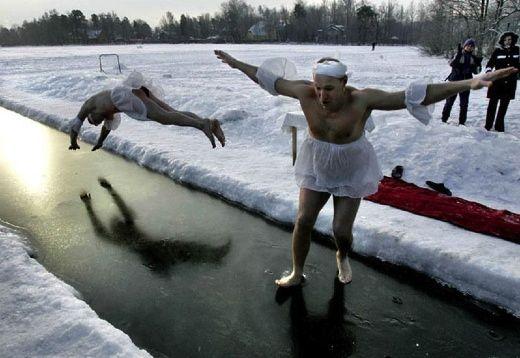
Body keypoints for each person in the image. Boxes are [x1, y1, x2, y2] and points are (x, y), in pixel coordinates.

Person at [214, 49, 517, 287]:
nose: (322, 96)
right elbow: (269, 80)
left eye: (330, 89)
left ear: (344, 83)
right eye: (318, 88)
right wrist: (237, 63)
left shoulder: (362, 100)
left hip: (351, 167)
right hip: (317, 164)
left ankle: (342, 255)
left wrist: (469, 82)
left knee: (340, 230)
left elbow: (412, 97)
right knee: (304, 219)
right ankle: (297, 272)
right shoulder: (305, 92)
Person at [68, 72, 225, 151]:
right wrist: (99, 143)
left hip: (123, 95)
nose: (96, 122)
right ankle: (210, 123)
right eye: (97, 123)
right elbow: (106, 130)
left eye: (92, 121)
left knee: (164, 117)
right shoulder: (106, 115)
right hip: (134, 93)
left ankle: (202, 125)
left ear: (90, 114)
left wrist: (73, 142)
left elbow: (75, 124)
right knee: (171, 112)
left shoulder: (90, 104)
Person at [441, 39, 483, 125]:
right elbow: (451, 64)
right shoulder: (458, 54)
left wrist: (478, 64)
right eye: (468, 45)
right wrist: (457, 56)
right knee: (449, 102)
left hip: (466, 83)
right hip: (454, 82)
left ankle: (462, 122)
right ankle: (444, 119)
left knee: (464, 104)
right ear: (465, 46)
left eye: (472, 46)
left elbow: (477, 72)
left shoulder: (473, 58)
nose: (470, 47)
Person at [484, 31, 520, 132]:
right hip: (497, 82)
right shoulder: (497, 51)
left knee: (504, 105)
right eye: (505, 40)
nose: (508, 41)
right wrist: (489, 72)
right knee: (492, 104)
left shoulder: (517, 50)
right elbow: (490, 64)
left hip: (510, 83)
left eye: (509, 39)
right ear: (502, 41)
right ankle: (488, 125)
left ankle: (499, 126)